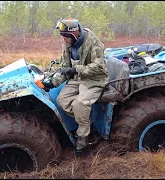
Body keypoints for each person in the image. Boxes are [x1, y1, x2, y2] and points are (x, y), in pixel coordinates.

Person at [43, 18, 109, 152]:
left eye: (66, 37)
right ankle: (87, 124)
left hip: (94, 79)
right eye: (63, 37)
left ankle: (84, 135)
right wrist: (52, 83)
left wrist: (76, 69)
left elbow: (99, 67)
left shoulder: (93, 42)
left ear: (75, 34)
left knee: (79, 104)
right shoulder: (67, 45)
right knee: (62, 100)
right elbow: (65, 67)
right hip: (77, 77)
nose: (64, 40)